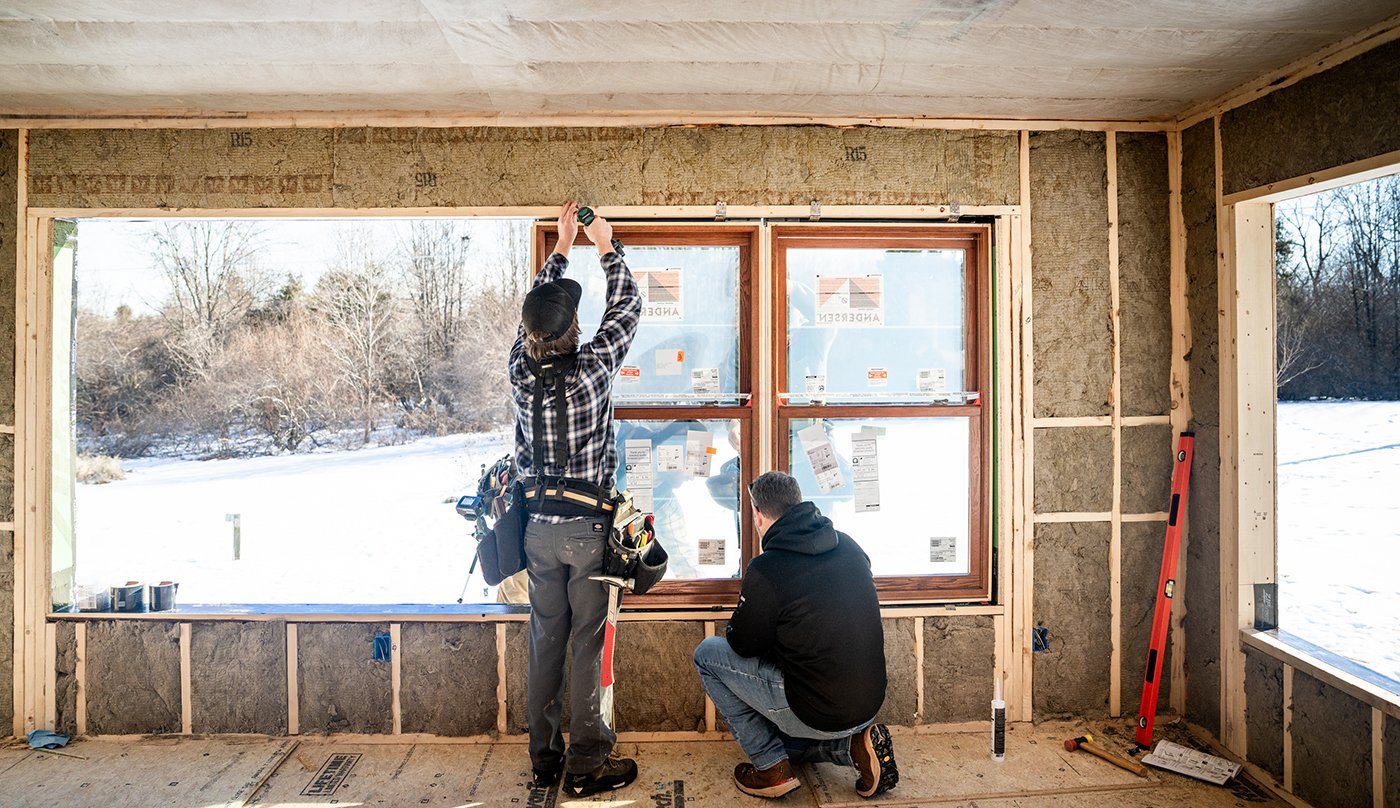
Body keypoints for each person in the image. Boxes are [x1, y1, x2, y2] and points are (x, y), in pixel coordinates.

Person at [508, 201, 642, 798]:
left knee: (546, 638)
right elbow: (628, 308)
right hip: (589, 530)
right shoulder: (591, 370)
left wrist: (560, 248)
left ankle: (544, 759)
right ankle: (587, 766)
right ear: (573, 332)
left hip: (538, 528)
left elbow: (528, 320)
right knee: (588, 643)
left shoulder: (519, 372)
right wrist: (603, 244)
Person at [692, 471, 898, 799]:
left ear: (758, 515)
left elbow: (741, 644)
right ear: (799, 503)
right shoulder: (848, 545)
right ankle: (853, 747)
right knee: (788, 738)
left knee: (707, 654)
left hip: (814, 709)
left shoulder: (767, 569)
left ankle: (770, 767)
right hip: (868, 704)